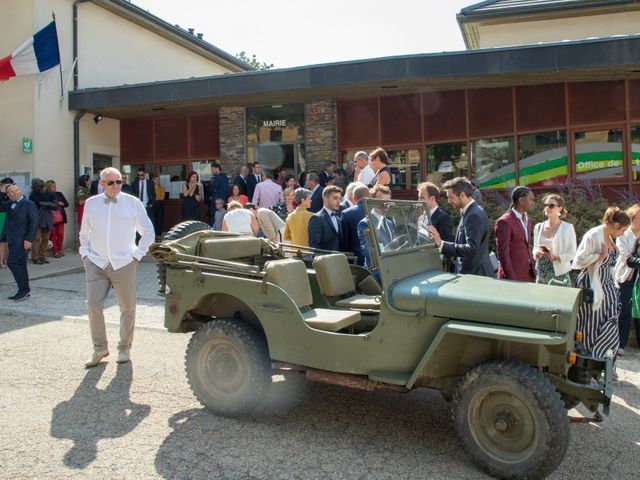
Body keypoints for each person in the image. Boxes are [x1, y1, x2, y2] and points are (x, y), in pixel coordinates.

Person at [79, 167, 155, 368]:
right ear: (101, 184)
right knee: (93, 305)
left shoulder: (133, 203)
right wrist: (85, 255)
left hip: (124, 262)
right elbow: (84, 233)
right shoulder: (91, 203)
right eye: (111, 182)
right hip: (96, 262)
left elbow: (148, 232)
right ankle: (99, 348)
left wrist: (137, 256)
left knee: (127, 307)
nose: (115, 186)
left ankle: (124, 347)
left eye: (119, 182)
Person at [573, 207, 629, 366]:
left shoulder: (611, 238)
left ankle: (603, 360)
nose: (623, 234)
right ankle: (587, 361)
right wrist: (599, 256)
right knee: (590, 324)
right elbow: (578, 261)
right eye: (623, 230)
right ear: (617, 225)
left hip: (608, 285)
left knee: (611, 322)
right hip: (592, 283)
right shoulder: (593, 234)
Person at [428, 177, 495, 277]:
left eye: (451, 197)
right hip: (472, 273)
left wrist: (441, 244)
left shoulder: (474, 215)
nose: (449, 201)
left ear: (463, 195)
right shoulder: (470, 211)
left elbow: (471, 248)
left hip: (476, 276)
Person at [532, 194, 577, 286]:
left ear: (560, 208)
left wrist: (556, 257)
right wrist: (536, 254)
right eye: (545, 205)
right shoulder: (539, 226)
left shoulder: (567, 227)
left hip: (560, 273)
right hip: (542, 272)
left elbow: (572, 253)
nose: (547, 208)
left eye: (551, 205)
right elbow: (535, 248)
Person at [495, 186, 536, 282]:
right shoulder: (504, 222)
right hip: (513, 277)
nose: (533, 203)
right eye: (531, 199)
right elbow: (503, 254)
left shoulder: (528, 220)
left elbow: (526, 246)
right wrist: (512, 279)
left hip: (528, 274)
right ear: (521, 200)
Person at [4, 184, 38, 300]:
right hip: (12, 239)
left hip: (22, 240)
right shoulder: (10, 204)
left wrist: (29, 239)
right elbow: (8, 221)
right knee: (20, 264)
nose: (12, 194)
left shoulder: (29, 204)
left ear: (19, 191)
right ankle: (24, 290)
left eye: (15, 191)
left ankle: (23, 289)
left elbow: (34, 223)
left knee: (12, 262)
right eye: (9, 193)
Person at [614, 203, 640, 355]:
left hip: (638, 280)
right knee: (623, 311)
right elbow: (625, 257)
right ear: (632, 219)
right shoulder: (624, 234)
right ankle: (620, 344)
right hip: (625, 277)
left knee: (637, 312)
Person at [417, 182, 454, 271]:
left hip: (437, 269)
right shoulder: (422, 216)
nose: (418, 201)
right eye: (418, 197)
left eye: (422, 197)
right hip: (422, 266)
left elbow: (447, 248)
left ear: (432, 198)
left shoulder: (443, 218)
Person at [357, 185, 393, 271]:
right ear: (372, 201)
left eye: (387, 202)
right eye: (381, 202)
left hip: (391, 267)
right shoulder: (365, 223)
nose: (385, 206)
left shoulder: (390, 223)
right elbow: (367, 251)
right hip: (376, 270)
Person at [29, 178, 57, 265]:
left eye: (35, 187)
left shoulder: (49, 194)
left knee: (45, 239)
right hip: (36, 218)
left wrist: (47, 204)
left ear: (40, 186)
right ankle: (35, 257)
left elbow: (56, 206)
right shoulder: (33, 195)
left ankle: (42, 255)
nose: (34, 188)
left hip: (47, 217)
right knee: (36, 239)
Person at [341, 184, 370, 265]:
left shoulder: (347, 213)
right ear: (369, 196)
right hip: (375, 258)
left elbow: (345, 240)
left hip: (355, 258)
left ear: (354, 198)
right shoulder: (375, 211)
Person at [308, 185, 343, 251]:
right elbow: (314, 248)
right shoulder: (316, 218)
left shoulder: (338, 219)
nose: (339, 202)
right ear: (325, 198)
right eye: (335, 198)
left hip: (339, 260)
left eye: (339, 198)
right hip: (323, 260)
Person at [46, 180, 69, 258]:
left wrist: (60, 203)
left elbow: (66, 204)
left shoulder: (59, 194)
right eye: (52, 186)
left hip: (60, 217)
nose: (54, 188)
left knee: (60, 234)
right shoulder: (46, 195)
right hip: (51, 218)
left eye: (55, 186)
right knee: (53, 235)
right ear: (48, 187)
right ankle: (55, 251)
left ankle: (60, 249)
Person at [0, 177, 15, 268]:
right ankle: (1, 261)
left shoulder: (7, 194)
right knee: (1, 241)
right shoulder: (1, 194)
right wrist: (2, 191)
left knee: (5, 241)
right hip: (1, 216)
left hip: (6, 215)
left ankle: (5, 259)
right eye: (8, 186)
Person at [151, 174, 166, 239]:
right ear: (153, 180)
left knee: (159, 220)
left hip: (159, 205)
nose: (157, 180)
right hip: (152, 205)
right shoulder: (151, 188)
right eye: (155, 179)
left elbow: (162, 197)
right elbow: (150, 197)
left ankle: (159, 235)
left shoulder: (162, 188)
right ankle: (154, 235)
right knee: (153, 220)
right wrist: (156, 198)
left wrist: (156, 197)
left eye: (158, 179)